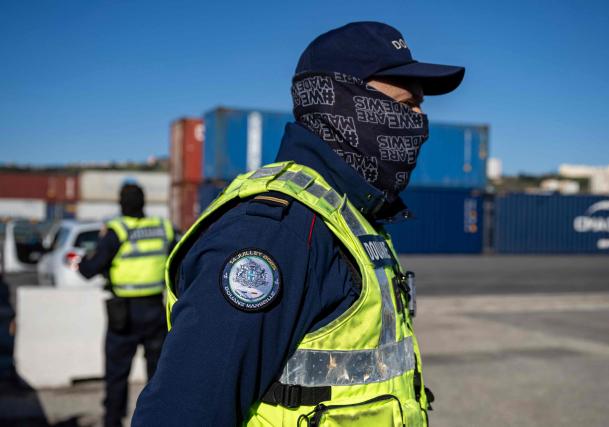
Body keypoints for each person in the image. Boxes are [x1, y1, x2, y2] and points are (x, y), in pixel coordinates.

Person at [133, 21, 464, 426]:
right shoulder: (273, 232)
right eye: (404, 104)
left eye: (421, 108)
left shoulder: (351, 218)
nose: (419, 123)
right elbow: (182, 412)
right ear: (341, 105)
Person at [78, 182, 176, 427]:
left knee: (117, 376)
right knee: (158, 378)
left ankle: (113, 422)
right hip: (155, 311)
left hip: (123, 315)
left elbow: (90, 270)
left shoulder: (116, 231)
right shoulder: (163, 227)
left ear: (121, 204)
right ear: (144, 203)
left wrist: (80, 262)